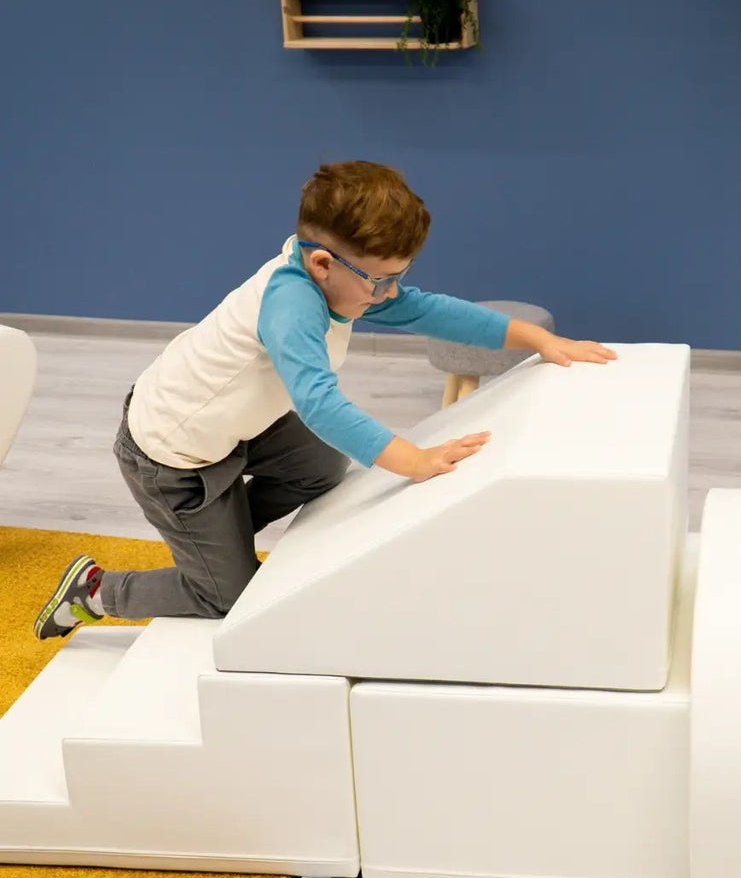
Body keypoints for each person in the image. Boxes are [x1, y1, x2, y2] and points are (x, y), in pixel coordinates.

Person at [34, 160, 616, 640]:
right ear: (321, 262)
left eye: (397, 277)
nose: (389, 293)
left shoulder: (346, 281)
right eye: (381, 281)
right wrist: (412, 459)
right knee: (225, 598)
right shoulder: (292, 303)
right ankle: (96, 592)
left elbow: (432, 309)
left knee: (322, 468)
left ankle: (216, 537)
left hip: (243, 427)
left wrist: (538, 339)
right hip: (171, 454)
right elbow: (319, 403)